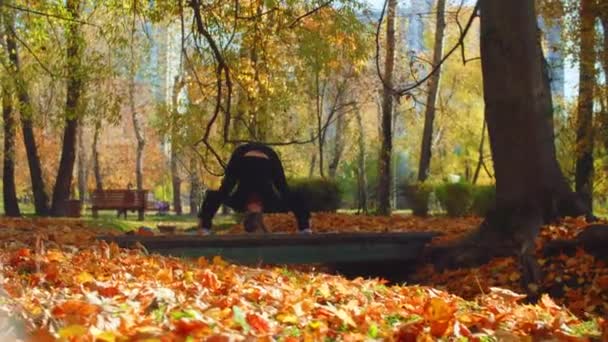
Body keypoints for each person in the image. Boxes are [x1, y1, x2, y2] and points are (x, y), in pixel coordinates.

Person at [198, 143, 312, 234]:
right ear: (261, 210)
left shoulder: (239, 202)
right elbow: (287, 192)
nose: (255, 205)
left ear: (246, 210)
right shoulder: (271, 203)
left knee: (224, 191)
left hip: (244, 154)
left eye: (252, 209)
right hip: (266, 155)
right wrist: (304, 225)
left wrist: (205, 224)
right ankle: (305, 228)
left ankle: (205, 228)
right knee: (285, 191)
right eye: (257, 208)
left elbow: (219, 193)